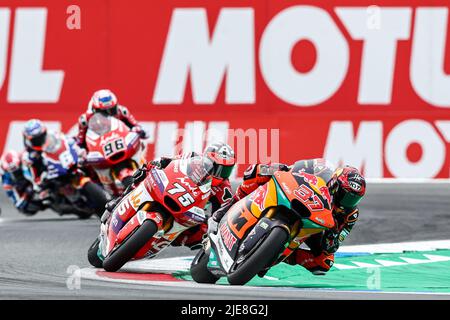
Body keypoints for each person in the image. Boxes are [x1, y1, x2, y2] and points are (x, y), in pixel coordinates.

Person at [208, 158, 366, 275]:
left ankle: (280, 255)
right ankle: (223, 211)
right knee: (257, 172)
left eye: (353, 199)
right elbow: (295, 168)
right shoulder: (322, 171)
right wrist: (279, 169)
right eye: (345, 195)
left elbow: (333, 245)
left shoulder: (350, 214)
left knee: (325, 262)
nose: (347, 202)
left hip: (317, 225)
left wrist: (332, 234)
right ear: (335, 184)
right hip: (299, 198)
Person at [105, 142, 236, 249]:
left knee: (203, 230)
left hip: (189, 210)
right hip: (172, 189)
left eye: (226, 170)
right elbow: (170, 161)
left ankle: (175, 238)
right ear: (207, 159)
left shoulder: (224, 189)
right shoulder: (192, 158)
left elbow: (223, 213)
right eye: (218, 168)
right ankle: (120, 200)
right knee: (142, 174)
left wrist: (210, 221)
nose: (221, 174)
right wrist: (156, 164)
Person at [76, 89, 147, 149]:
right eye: (104, 112)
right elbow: (80, 142)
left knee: (142, 144)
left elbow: (137, 126)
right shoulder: (85, 120)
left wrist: (138, 130)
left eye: (112, 110)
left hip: (122, 144)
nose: (108, 114)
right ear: (95, 110)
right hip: (100, 149)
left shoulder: (122, 111)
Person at [0, 150, 45, 215]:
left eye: (17, 169)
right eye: (13, 172)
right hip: (26, 188)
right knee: (23, 208)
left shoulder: (26, 156)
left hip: (37, 178)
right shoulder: (6, 181)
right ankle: (45, 204)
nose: (16, 173)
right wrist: (26, 194)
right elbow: (17, 203)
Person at [21, 119, 48, 188]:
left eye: (41, 137)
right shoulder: (28, 156)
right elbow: (28, 172)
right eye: (36, 139)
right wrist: (37, 181)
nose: (39, 141)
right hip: (47, 179)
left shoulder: (52, 140)